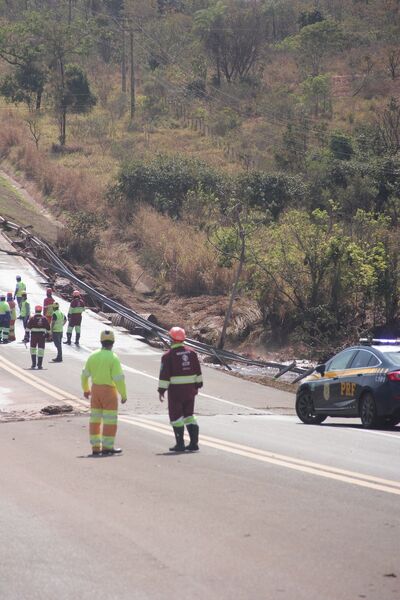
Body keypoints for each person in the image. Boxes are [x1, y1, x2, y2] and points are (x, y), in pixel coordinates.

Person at [81, 330, 127, 456]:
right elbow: (118, 378)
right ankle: (107, 446)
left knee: (95, 420)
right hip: (109, 392)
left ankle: (95, 447)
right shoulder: (113, 358)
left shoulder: (93, 355)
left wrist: (86, 389)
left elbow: (84, 375)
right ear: (113, 342)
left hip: (95, 391)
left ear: (101, 341)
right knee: (110, 421)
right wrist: (123, 394)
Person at [158, 327, 203, 452]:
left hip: (176, 392)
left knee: (176, 416)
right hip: (190, 391)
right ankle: (194, 443)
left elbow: (164, 375)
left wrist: (161, 390)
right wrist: (198, 384)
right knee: (189, 415)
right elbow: (198, 371)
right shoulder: (192, 353)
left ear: (171, 339)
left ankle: (180, 444)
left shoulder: (168, 356)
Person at [26, 305, 50, 369]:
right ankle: (39, 365)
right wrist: (48, 334)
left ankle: (33, 364)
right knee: (41, 350)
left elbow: (28, 328)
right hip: (42, 336)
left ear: (35, 310)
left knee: (33, 349)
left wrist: (27, 336)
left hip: (34, 336)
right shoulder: (44, 318)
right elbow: (48, 328)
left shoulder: (32, 318)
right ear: (41, 310)